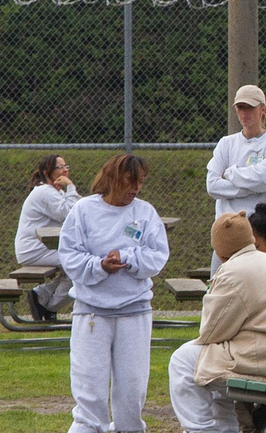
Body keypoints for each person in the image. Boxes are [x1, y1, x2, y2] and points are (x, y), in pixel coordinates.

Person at [169, 211, 266, 432]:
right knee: (208, 367)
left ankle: (202, 429)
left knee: (182, 361)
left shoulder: (232, 271)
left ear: (220, 253)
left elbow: (211, 331)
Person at [57, 154, 170, 433]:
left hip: (135, 311)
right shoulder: (83, 210)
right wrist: (99, 266)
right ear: (112, 179)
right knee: (90, 388)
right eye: (131, 181)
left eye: (140, 182)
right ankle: (89, 427)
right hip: (92, 312)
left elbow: (158, 256)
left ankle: (128, 428)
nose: (136, 188)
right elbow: (69, 256)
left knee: (131, 389)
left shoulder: (145, 213)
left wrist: (128, 258)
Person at [206, 84, 266, 276]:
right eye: (240, 108)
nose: (244, 113)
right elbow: (212, 186)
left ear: (263, 110)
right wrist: (254, 186)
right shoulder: (226, 143)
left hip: (261, 234)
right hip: (228, 233)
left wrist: (231, 174)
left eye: (250, 107)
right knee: (218, 293)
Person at [14, 154, 81, 321]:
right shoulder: (45, 192)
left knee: (77, 265)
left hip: (45, 248)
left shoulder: (54, 193)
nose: (65, 170)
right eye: (60, 167)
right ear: (47, 172)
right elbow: (69, 214)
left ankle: (41, 297)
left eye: (66, 166)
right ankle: (48, 305)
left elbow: (80, 211)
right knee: (79, 266)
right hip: (34, 250)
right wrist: (71, 187)